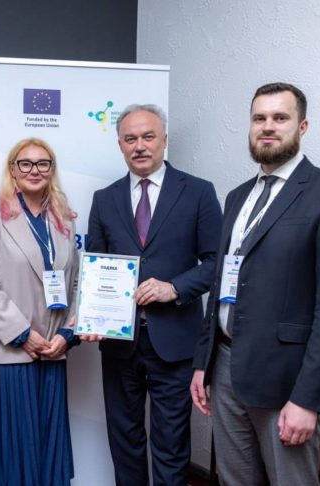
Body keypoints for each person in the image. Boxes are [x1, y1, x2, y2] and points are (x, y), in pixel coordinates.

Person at [190, 83, 320, 486]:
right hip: (226, 367)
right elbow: (221, 283)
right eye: (259, 118)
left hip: (286, 379)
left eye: (280, 118)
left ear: (302, 126)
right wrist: (203, 363)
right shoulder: (237, 197)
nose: (267, 126)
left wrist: (308, 398)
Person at [86, 104, 222, 486]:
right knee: (124, 441)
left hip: (175, 342)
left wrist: (174, 287)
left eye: (148, 137)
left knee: (171, 443)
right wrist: (92, 314)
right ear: (120, 145)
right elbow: (96, 264)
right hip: (119, 342)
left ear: (165, 140)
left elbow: (217, 262)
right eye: (130, 139)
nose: (140, 146)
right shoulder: (104, 198)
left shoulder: (198, 192)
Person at [0, 138, 80, 486]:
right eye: (25, 163)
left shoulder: (64, 220)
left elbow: (75, 282)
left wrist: (66, 335)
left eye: (43, 163)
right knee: (11, 451)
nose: (34, 170)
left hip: (52, 352)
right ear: (13, 170)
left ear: (51, 170)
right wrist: (23, 334)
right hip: (9, 353)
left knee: (45, 449)